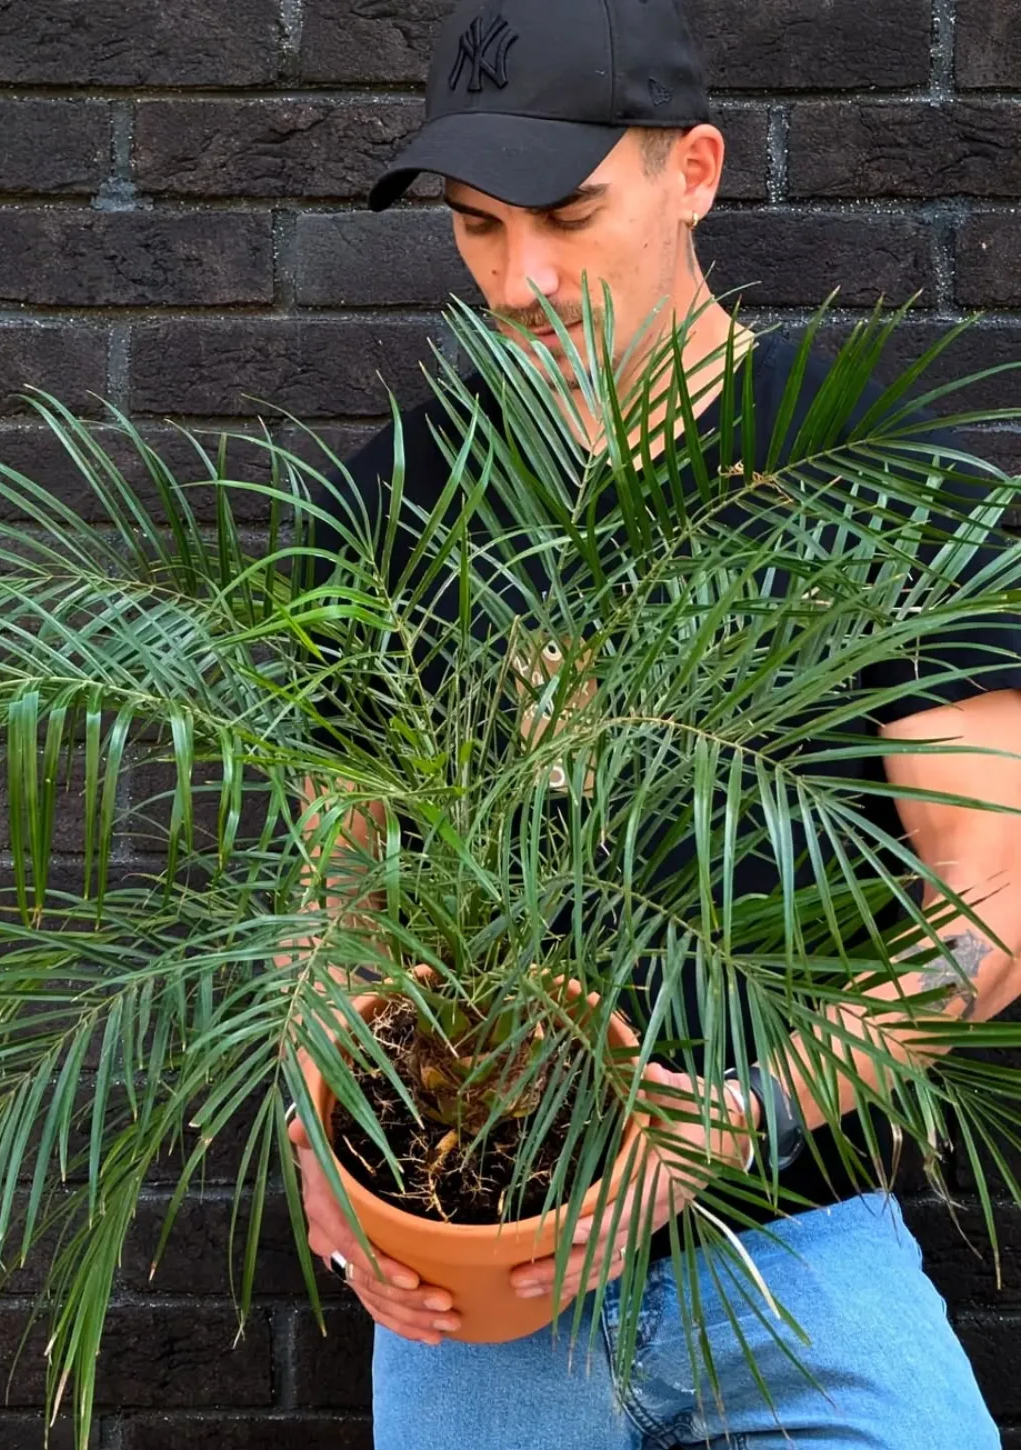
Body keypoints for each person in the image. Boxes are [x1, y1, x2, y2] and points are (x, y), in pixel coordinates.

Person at [286, 0, 1021, 1444]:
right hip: (483, 1268)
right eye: (478, 227)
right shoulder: (388, 500)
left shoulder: (883, 477)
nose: (521, 280)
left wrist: (729, 1119)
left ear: (695, 171)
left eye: (566, 214)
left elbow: (991, 900)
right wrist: (321, 1129)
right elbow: (340, 885)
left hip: (798, 1239)